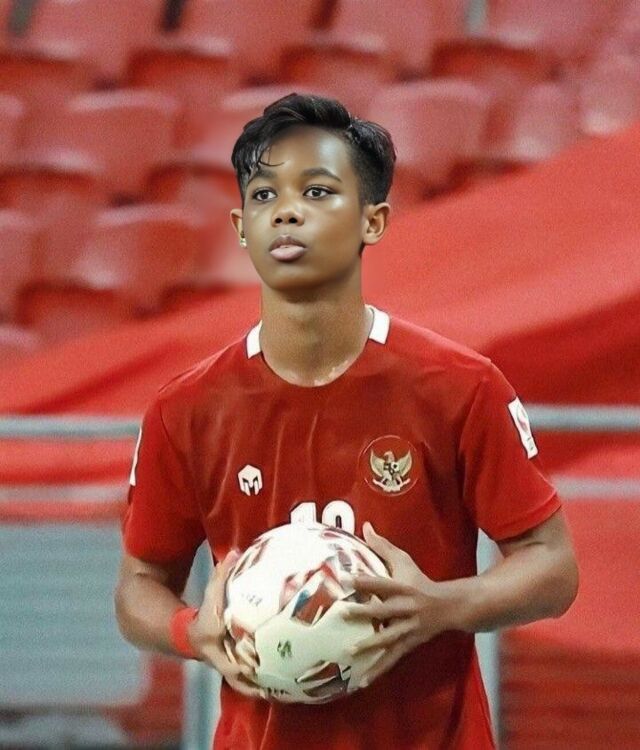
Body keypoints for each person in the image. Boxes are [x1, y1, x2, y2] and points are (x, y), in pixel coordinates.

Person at [115, 93, 578, 749]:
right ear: (242, 227)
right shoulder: (185, 409)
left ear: (373, 220)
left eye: (318, 191)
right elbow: (139, 585)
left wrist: (442, 606)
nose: (287, 211)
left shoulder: (460, 387)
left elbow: (552, 566)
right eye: (265, 195)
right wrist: (192, 631)